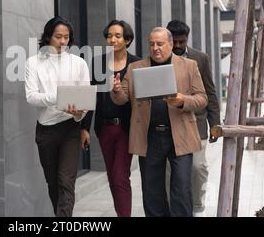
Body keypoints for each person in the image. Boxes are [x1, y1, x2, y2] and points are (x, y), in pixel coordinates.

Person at [111, 27, 207, 217]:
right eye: (152, 44)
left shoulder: (189, 66)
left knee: (181, 188)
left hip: (180, 135)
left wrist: (183, 101)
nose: (155, 48)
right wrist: (115, 89)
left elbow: (202, 98)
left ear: (170, 44)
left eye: (160, 44)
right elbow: (122, 98)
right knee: (152, 190)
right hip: (150, 136)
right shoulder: (135, 68)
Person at [25, 16, 90, 217]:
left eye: (66, 37)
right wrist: (59, 97)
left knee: (66, 181)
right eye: (58, 37)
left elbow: (85, 96)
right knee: (53, 182)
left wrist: (80, 113)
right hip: (46, 130)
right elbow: (31, 96)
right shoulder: (33, 63)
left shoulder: (78, 63)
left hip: (70, 128)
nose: (63, 42)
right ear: (48, 37)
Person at [80, 20, 140, 217]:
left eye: (117, 36)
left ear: (128, 40)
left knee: (120, 176)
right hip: (104, 129)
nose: (112, 39)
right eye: (109, 36)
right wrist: (84, 128)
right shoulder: (98, 63)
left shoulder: (136, 64)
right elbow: (89, 95)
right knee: (113, 177)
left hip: (126, 129)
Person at [166, 20, 220, 217]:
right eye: (175, 42)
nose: (179, 46)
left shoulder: (200, 58)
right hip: (171, 124)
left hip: (196, 124)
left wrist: (215, 123)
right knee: (171, 172)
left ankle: (197, 208)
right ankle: (173, 210)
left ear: (187, 38)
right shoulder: (161, 59)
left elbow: (210, 93)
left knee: (198, 167)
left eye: (182, 41)